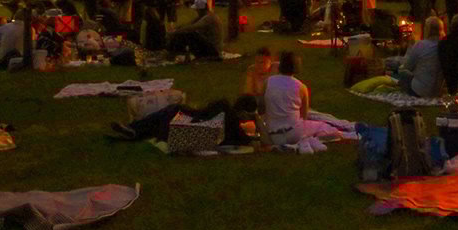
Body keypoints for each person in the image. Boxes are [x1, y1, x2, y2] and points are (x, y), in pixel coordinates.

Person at [110, 95, 260, 147]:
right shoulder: (233, 126)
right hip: (186, 126)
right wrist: (257, 120)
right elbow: (251, 141)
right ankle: (135, 131)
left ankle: (134, 130)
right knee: (164, 121)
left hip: (185, 121)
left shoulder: (224, 107)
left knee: (168, 113)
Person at [262, 52, 343, 147]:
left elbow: (262, 107)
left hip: (274, 135)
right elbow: (304, 115)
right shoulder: (301, 87)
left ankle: (300, 142)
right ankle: (312, 140)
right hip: (295, 133)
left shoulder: (268, 82)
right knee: (330, 130)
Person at [399, 17, 445, 99]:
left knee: (403, 72)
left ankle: (404, 95)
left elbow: (408, 67)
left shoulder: (421, 45)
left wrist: (410, 46)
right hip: (437, 91)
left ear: (427, 29)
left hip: (419, 91)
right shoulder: (444, 45)